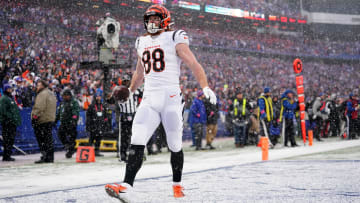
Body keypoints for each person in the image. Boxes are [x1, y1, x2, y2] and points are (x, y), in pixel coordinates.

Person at [105, 5, 217, 202]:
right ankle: (126, 187)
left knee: (174, 144)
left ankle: (177, 185)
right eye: (149, 19)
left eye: (156, 19)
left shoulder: (175, 37)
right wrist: (130, 91)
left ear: (164, 20)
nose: (152, 23)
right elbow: (140, 73)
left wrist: (205, 86)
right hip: (149, 97)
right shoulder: (141, 41)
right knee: (137, 139)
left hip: (171, 98)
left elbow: (193, 63)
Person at [31, 80, 57, 164]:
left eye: (38, 85)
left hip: (42, 120)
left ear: (42, 86)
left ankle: (45, 156)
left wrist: (34, 118)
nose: (37, 87)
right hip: (49, 119)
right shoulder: (51, 93)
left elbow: (39, 107)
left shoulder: (42, 94)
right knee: (48, 139)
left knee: (42, 140)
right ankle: (50, 157)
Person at [116, 73, 139, 162]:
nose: (126, 83)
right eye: (124, 81)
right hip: (124, 115)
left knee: (135, 136)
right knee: (124, 137)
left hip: (134, 114)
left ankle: (136, 154)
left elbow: (142, 98)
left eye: (127, 81)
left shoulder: (135, 90)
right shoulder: (119, 91)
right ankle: (123, 155)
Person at [56, 89, 80, 158]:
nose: (64, 97)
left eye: (65, 96)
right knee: (60, 134)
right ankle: (67, 145)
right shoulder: (62, 103)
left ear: (69, 96)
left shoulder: (74, 102)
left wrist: (74, 120)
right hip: (63, 123)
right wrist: (55, 120)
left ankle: (71, 150)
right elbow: (59, 112)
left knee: (72, 137)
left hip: (71, 123)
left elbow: (76, 112)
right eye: (63, 96)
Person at [0, 84, 21, 161]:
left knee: (10, 139)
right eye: (9, 89)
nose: (10, 90)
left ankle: (8, 155)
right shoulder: (4, 99)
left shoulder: (10, 98)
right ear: (6, 89)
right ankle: (6, 156)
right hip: (7, 123)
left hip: (11, 122)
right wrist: (11, 118)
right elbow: (3, 111)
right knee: (7, 139)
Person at [86, 91, 110, 156]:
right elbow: (88, 116)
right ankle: (88, 152)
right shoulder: (91, 106)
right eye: (97, 96)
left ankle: (96, 151)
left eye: (99, 96)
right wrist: (89, 124)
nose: (98, 98)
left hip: (100, 125)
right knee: (91, 139)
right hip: (93, 125)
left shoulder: (103, 106)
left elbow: (106, 115)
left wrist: (105, 122)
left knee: (98, 139)